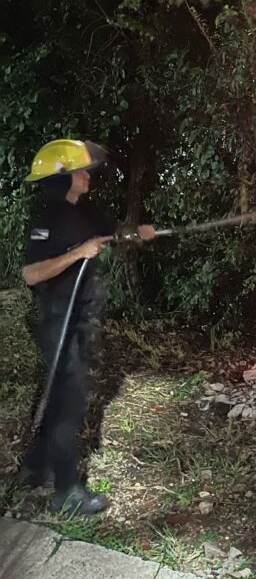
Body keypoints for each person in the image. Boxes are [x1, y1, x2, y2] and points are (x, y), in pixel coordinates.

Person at [19, 139, 156, 515]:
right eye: (79, 171)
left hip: (79, 320)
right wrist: (78, 253)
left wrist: (137, 234)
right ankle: (67, 492)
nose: (86, 175)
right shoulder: (47, 220)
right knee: (69, 405)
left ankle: (37, 467)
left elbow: (116, 233)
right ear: (60, 178)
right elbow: (31, 274)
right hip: (58, 322)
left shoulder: (86, 212)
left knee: (60, 398)